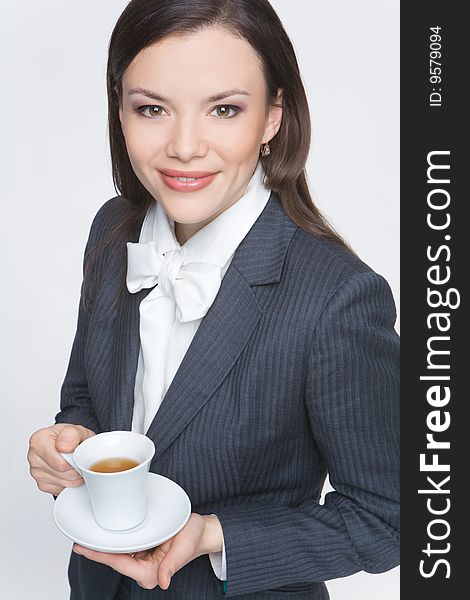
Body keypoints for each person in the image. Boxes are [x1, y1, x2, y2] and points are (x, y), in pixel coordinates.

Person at [27, 1, 400, 598]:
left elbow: (390, 519)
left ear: (274, 115)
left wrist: (213, 536)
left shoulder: (339, 299)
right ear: (119, 110)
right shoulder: (112, 229)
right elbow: (85, 392)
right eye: (152, 109)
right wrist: (71, 439)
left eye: (224, 110)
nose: (184, 147)